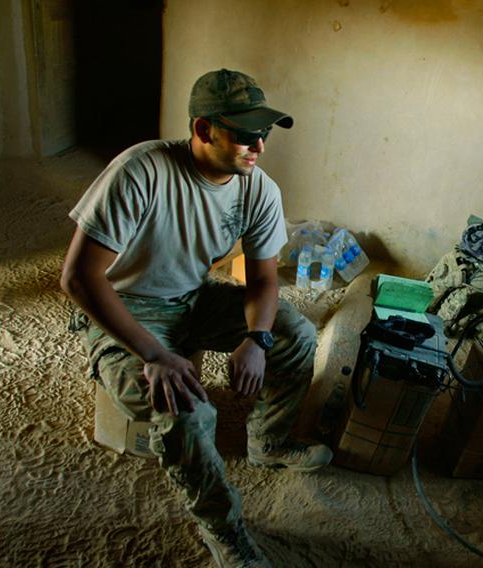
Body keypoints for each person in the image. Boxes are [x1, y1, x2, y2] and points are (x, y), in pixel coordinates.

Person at [61, 68, 332, 568]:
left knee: (293, 330)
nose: (259, 146)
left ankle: (268, 441)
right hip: (127, 304)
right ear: (204, 129)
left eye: (264, 134)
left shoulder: (258, 189)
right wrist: (154, 353)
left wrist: (256, 338)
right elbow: (79, 278)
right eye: (246, 135)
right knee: (187, 410)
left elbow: (264, 282)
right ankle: (223, 530)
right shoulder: (141, 171)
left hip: (192, 294)